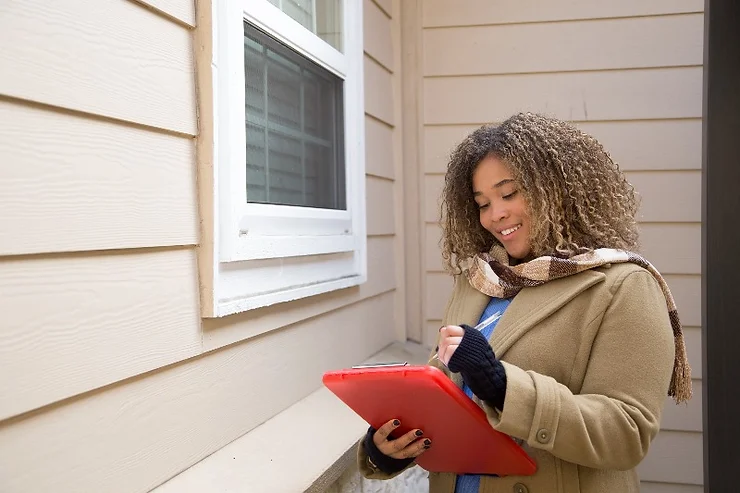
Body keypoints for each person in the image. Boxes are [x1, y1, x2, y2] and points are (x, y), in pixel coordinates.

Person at [355, 112, 692, 493]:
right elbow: (450, 398)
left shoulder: (622, 285)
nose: (495, 215)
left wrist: (503, 387)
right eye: (482, 203)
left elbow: (626, 433)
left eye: (509, 193)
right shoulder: (480, 281)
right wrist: (392, 445)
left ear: (558, 188)